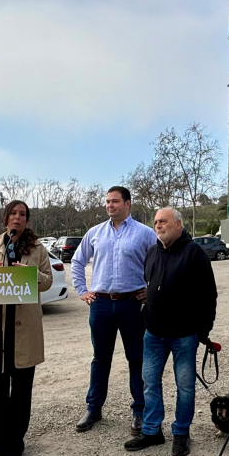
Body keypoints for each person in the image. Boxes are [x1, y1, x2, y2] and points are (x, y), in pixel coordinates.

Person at [125, 207, 217, 456]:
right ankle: (152, 431)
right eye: (155, 222)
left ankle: (181, 432)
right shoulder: (152, 252)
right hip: (153, 333)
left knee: (185, 386)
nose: (158, 225)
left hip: (184, 335)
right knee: (149, 383)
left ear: (178, 224)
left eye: (163, 221)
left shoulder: (194, 253)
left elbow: (208, 296)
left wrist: (203, 331)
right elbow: (150, 284)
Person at [70, 186, 157, 434]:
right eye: (108, 201)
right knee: (100, 359)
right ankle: (94, 408)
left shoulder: (145, 234)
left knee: (137, 359)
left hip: (133, 304)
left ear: (128, 204)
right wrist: (82, 290)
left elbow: (161, 262)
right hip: (101, 304)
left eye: (115, 201)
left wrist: (151, 290)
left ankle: (139, 411)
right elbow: (77, 261)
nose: (110, 205)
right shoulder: (95, 233)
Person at [0, 200, 52, 456]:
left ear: (27, 220)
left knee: (21, 391)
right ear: (5, 218)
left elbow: (47, 281)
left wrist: (30, 274)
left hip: (24, 330)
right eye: (13, 214)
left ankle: (16, 440)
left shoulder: (38, 249)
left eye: (22, 214)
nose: (17, 218)